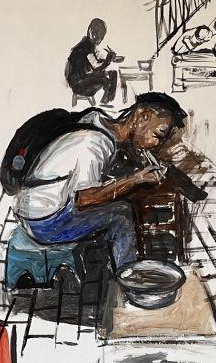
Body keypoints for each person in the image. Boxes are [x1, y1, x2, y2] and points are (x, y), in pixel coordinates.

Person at [12, 93, 188, 272]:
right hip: (45, 222)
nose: (156, 144)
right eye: (158, 135)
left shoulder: (96, 120)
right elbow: (84, 199)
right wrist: (137, 179)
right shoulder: (95, 142)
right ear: (143, 116)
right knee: (121, 215)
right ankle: (129, 276)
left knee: (118, 205)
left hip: (34, 208)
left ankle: (113, 270)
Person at [65, 17, 125, 104]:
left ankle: (107, 101)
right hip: (78, 84)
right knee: (105, 80)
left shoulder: (88, 43)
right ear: (93, 33)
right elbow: (96, 66)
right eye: (100, 36)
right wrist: (108, 60)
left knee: (113, 73)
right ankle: (106, 102)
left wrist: (110, 59)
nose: (101, 39)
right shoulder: (85, 46)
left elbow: (96, 60)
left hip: (83, 77)